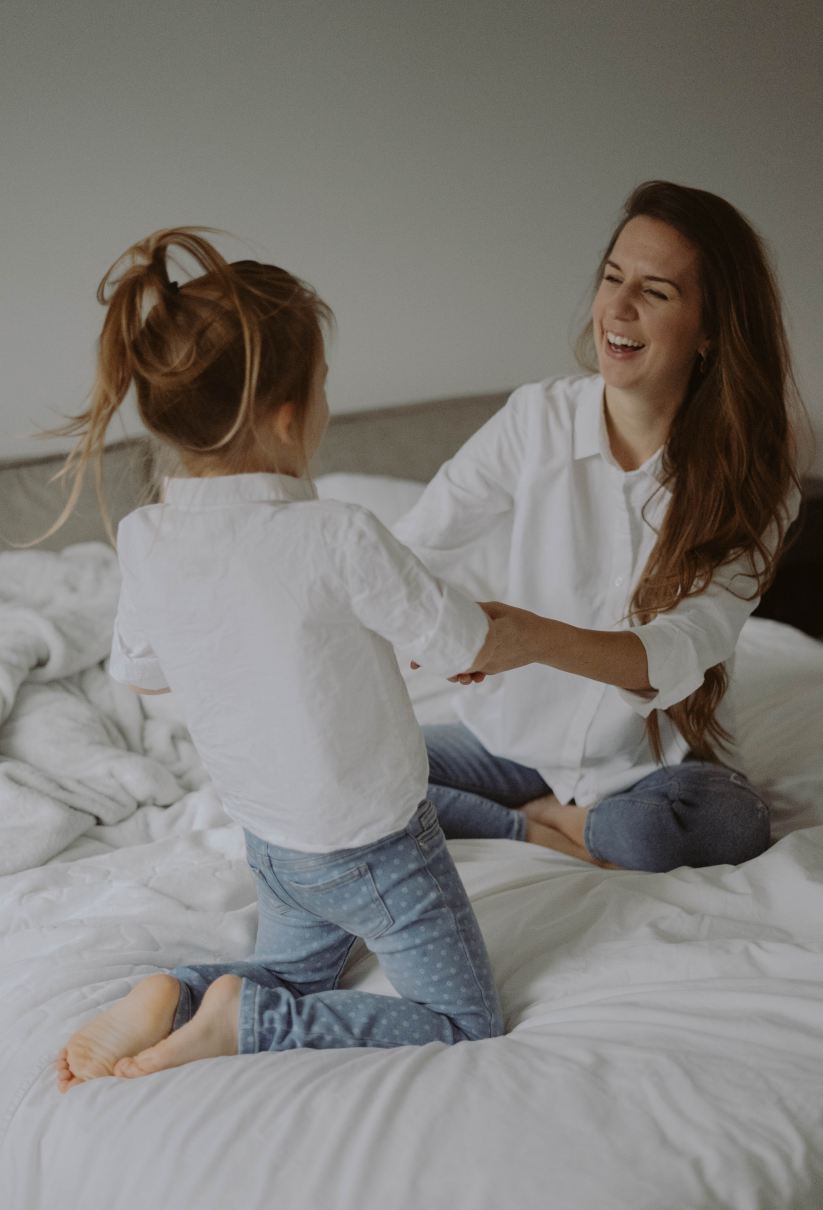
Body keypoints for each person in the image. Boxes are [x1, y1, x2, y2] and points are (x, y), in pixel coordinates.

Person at [54, 227, 513, 1093]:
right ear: (291, 413)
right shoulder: (337, 532)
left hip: (271, 842)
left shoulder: (149, 536)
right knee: (464, 1022)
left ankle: (180, 992)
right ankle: (252, 1020)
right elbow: (460, 642)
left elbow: (140, 670)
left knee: (302, 966)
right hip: (380, 850)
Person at [394, 180, 805, 874]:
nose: (616, 307)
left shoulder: (754, 482)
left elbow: (684, 645)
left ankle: (570, 824)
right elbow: (414, 546)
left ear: (711, 331)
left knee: (724, 822)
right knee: (355, 767)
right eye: (613, 277)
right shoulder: (536, 420)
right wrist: (406, 617)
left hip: (649, 767)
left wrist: (525, 638)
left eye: (656, 291)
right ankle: (537, 828)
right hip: (511, 743)